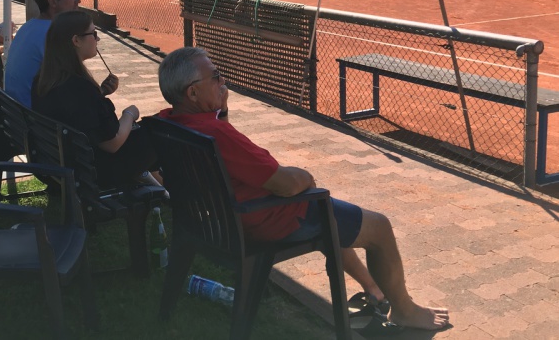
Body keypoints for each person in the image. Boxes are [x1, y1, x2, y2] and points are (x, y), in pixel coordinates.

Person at [155, 48, 450, 333]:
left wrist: (223, 110)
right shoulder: (217, 135)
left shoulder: (167, 123)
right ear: (192, 93)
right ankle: (404, 310)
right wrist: (307, 178)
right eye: (215, 76)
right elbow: (284, 184)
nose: (222, 80)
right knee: (378, 227)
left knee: (330, 216)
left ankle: (374, 288)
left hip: (214, 224)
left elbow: (223, 154)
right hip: (267, 221)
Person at [32, 11, 159, 188]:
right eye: (93, 34)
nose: (97, 39)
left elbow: (76, 110)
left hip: (60, 164)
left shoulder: (45, 80)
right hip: (91, 173)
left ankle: (159, 186)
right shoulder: (80, 88)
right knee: (157, 132)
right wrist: (130, 114)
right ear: (76, 41)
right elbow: (112, 143)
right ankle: (171, 191)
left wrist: (100, 93)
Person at [4, 0, 81, 107]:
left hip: (15, 110)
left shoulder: (27, 26)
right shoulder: (54, 33)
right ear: (53, 2)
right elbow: (72, 83)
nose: (78, 0)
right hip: (34, 113)